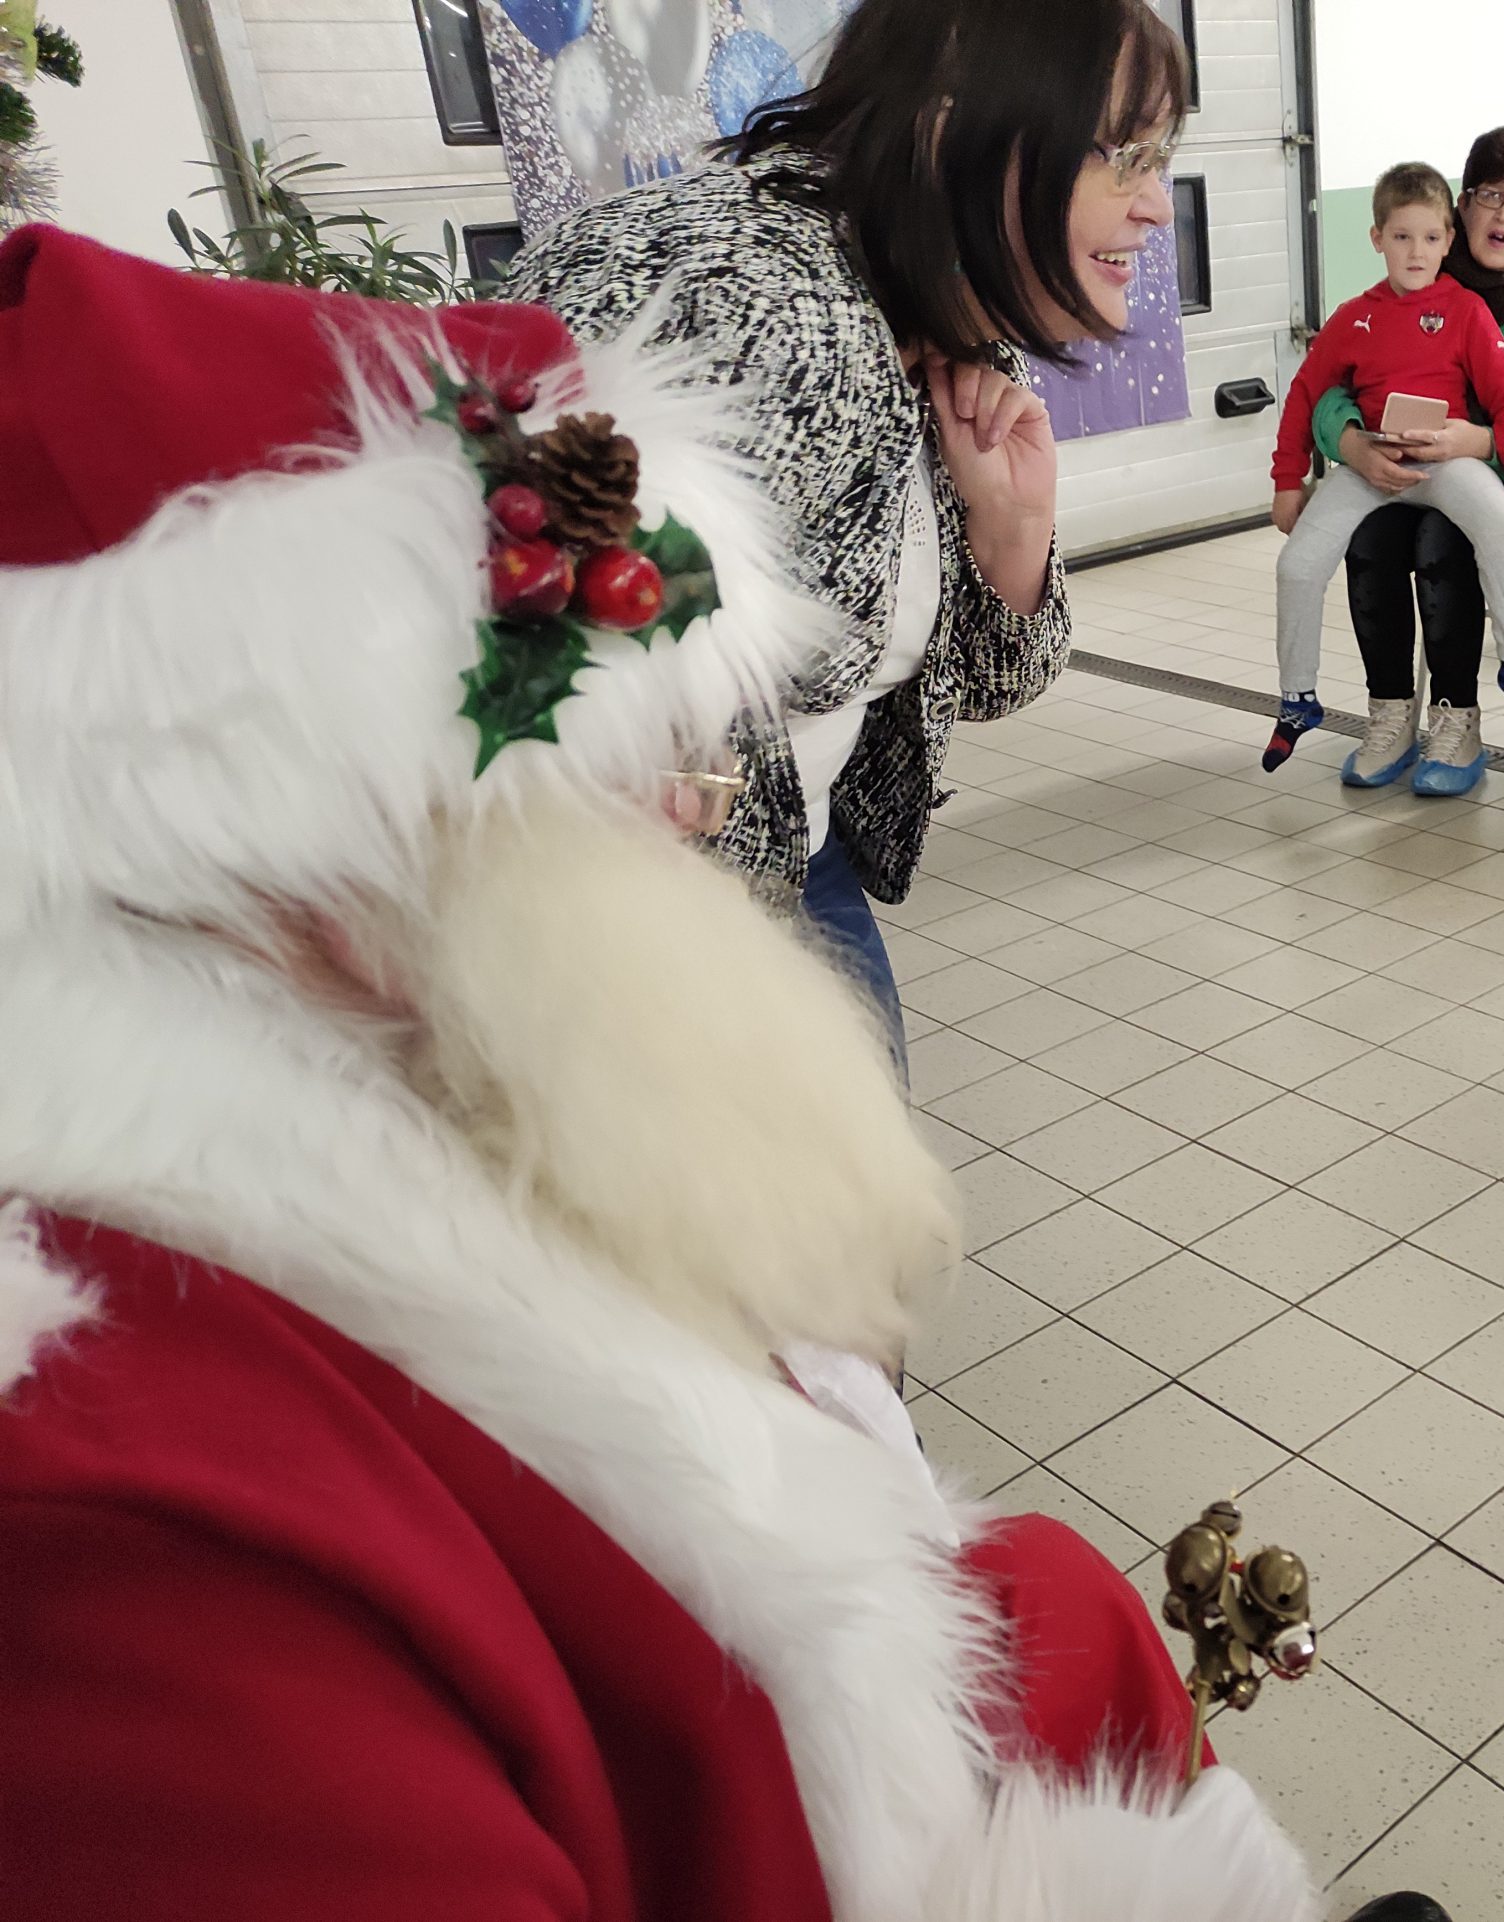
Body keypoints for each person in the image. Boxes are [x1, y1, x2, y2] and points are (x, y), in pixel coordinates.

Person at [0, 225, 1319, 1915]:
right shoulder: (131, 1558)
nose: (694, 813)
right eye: (632, 757)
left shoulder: (431, 1102)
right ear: (332, 831)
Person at [509, 0, 1182, 1063]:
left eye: (1165, 154)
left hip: (788, 854)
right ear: (953, 133)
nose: (1156, 204)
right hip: (631, 913)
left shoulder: (944, 322)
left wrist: (1014, 530)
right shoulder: (751, 304)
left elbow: (992, 680)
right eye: (1124, 154)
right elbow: (516, 652)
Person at [1319, 126, 1504, 798]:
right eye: (1489, 196)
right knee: (1370, 535)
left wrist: (1482, 443)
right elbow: (1334, 383)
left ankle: (1458, 720)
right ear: (1460, 207)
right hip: (1418, 474)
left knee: (1441, 538)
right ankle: (1391, 713)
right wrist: (1351, 440)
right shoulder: (1423, 272)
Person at [1266, 161, 1504, 776]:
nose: (1415, 252)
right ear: (1376, 239)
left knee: (1499, 523)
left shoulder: (1467, 311)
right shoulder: (1353, 316)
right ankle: (1297, 698)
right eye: (1401, 237)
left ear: (1449, 240)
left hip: (1446, 462)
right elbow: (1306, 396)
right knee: (1298, 564)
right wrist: (1288, 480)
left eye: (1429, 237)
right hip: (1372, 466)